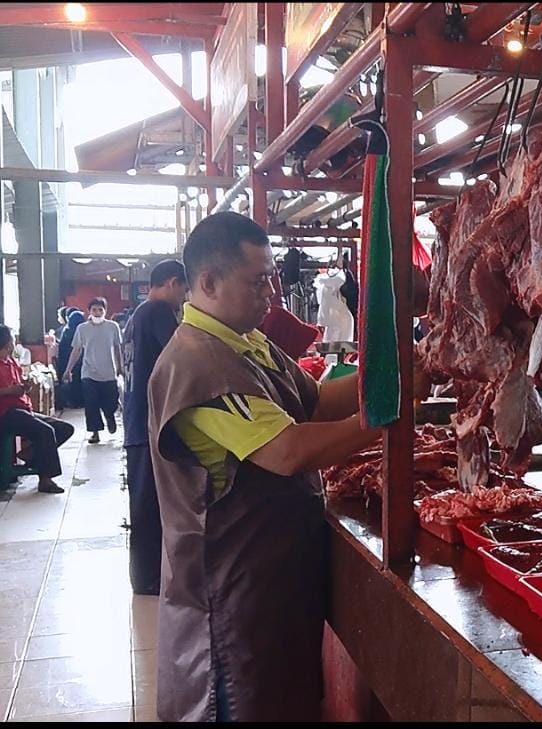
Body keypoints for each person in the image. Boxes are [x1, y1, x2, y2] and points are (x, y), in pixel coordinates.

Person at [147, 212, 428, 721]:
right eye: (259, 281)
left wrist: (399, 369)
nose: (271, 293)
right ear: (208, 282)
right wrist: (388, 414)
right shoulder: (197, 364)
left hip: (272, 582)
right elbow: (288, 451)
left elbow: (316, 403)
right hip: (233, 596)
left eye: (272, 277)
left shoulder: (245, 341)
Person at [122, 260, 188, 596]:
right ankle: (148, 580)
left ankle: (146, 576)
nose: (184, 297)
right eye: (184, 289)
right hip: (150, 424)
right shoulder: (159, 312)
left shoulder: (136, 318)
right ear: (173, 283)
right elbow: (183, 355)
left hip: (136, 422)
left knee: (144, 505)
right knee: (149, 508)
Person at [0, 325, 75, 494]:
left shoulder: (11, 361)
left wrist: (24, 386)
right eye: (11, 340)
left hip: (21, 408)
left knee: (64, 428)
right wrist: (9, 391)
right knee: (45, 432)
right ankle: (46, 479)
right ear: (6, 343)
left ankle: (28, 454)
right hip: (5, 413)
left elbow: (16, 384)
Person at [63, 298, 123, 443]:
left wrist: (120, 367)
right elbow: (76, 350)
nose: (97, 313)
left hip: (109, 372)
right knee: (91, 404)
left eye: (100, 310)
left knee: (111, 402)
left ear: (105, 311)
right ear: (89, 311)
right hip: (88, 373)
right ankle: (95, 432)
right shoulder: (82, 329)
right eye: (94, 310)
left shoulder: (113, 327)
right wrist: (68, 369)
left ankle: (109, 416)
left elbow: (117, 348)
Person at [55, 308, 84, 410]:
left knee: (73, 382)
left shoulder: (66, 331)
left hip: (69, 361)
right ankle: (81, 401)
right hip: (81, 362)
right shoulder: (83, 330)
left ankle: (73, 401)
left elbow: (63, 349)